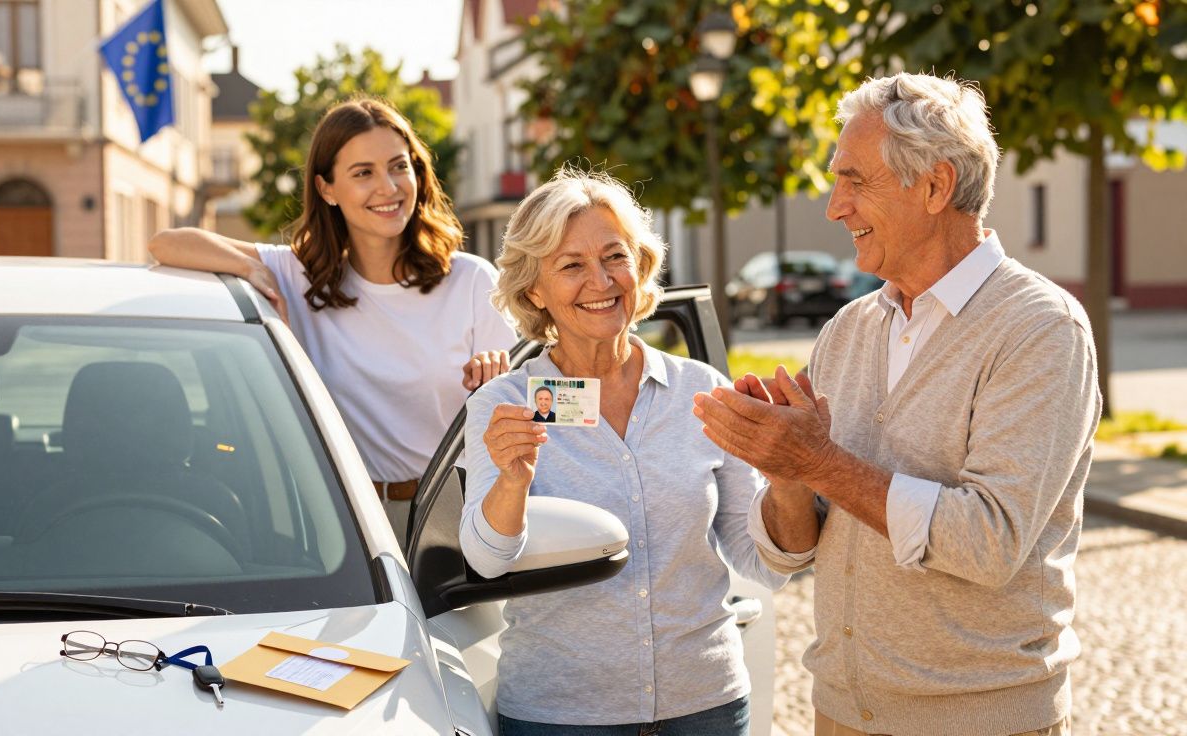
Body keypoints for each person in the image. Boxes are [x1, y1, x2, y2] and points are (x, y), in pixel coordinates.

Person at [694, 73, 1099, 736]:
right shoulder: (850, 328)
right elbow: (793, 551)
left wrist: (820, 462)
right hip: (843, 714)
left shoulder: (1041, 329)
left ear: (936, 186)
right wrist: (788, 476)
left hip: (982, 721)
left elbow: (988, 543)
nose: (834, 206)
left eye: (854, 180)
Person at [460, 168, 790, 735]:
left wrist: (793, 474)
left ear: (639, 266)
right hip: (559, 716)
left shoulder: (700, 389)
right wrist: (511, 484)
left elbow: (763, 560)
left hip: (705, 706)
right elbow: (487, 561)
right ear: (534, 290)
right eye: (571, 265)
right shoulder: (507, 404)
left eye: (615, 256)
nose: (601, 280)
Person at [148, 98, 517, 546]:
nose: (388, 187)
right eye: (363, 173)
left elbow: (518, 417)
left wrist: (496, 381)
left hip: (450, 517)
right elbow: (168, 243)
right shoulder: (297, 275)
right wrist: (252, 270)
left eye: (398, 167)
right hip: (343, 528)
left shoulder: (471, 280)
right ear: (326, 188)